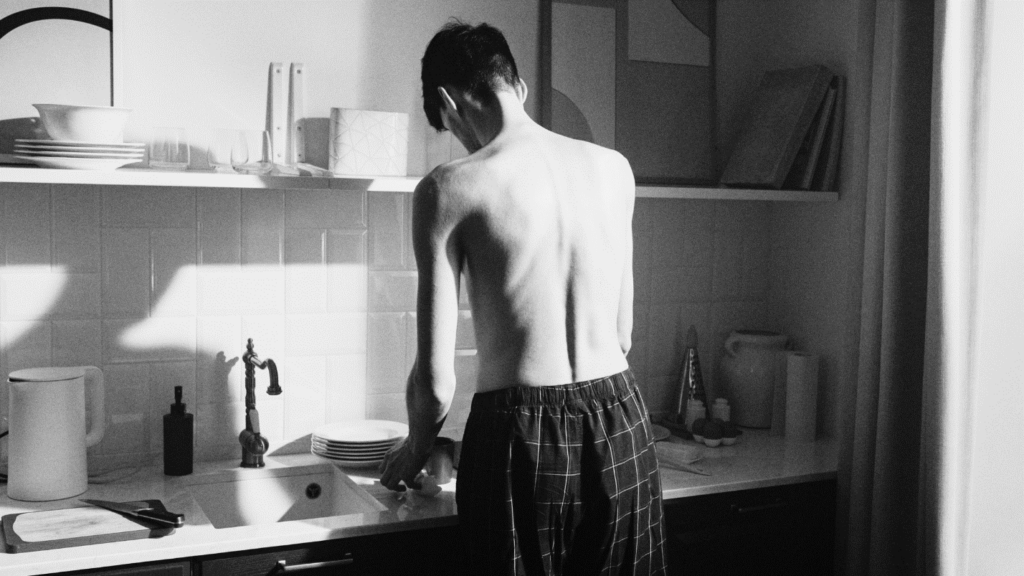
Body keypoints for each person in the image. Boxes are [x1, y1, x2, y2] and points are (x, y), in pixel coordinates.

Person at [379, 20, 666, 576]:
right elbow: (623, 334)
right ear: (519, 88)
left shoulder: (448, 188)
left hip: (520, 437)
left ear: (449, 102)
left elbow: (436, 385)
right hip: (623, 421)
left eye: (449, 128)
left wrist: (416, 448)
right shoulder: (614, 170)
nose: (459, 143)